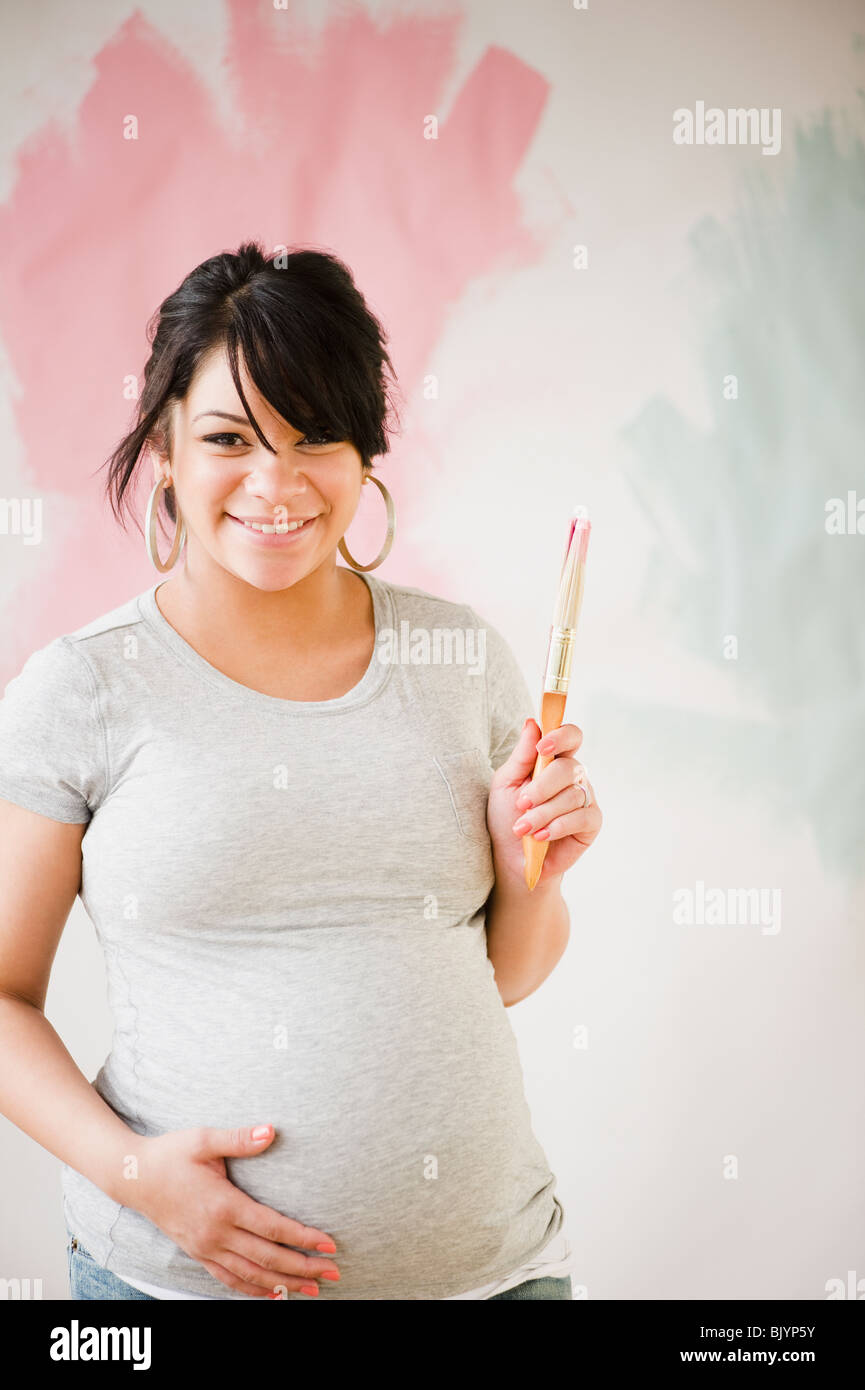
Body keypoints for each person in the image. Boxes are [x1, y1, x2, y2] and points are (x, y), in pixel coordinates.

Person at [0, 242, 602, 1300]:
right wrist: (136, 1175)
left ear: (364, 455)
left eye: (315, 438)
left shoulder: (460, 662)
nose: (275, 485)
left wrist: (527, 871)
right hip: (172, 1288)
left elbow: (502, 973)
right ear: (168, 451)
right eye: (230, 437)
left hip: (496, 1276)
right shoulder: (82, 688)